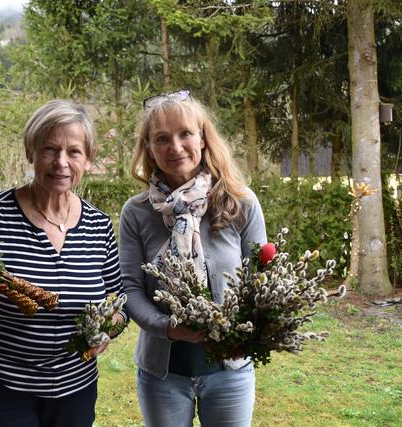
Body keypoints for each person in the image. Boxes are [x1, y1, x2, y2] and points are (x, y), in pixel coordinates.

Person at [0, 99, 126, 427]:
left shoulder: (98, 225)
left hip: (74, 388)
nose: (61, 162)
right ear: (30, 151)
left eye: (74, 152)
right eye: (50, 149)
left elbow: (121, 304)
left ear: (89, 160)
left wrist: (107, 330)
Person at [119, 90, 267, 427]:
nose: (176, 146)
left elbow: (260, 282)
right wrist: (169, 328)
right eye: (162, 138)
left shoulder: (240, 203)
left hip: (230, 371)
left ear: (202, 138)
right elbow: (130, 288)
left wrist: (243, 334)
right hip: (162, 374)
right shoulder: (136, 212)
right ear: (149, 149)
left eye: (185, 133)